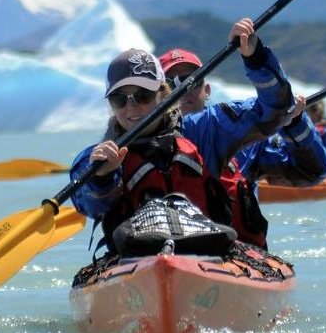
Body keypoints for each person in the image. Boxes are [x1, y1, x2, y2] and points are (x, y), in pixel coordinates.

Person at [69, 18, 296, 252]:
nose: (132, 107)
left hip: (210, 252)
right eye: (119, 99)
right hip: (139, 259)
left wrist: (255, 57)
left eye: (143, 96)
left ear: (163, 94)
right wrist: (102, 178)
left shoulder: (204, 129)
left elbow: (276, 109)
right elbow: (89, 205)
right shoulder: (99, 157)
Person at [159, 47, 326, 204]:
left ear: (207, 91)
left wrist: (295, 123)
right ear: (157, 95)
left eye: (192, 81)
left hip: (234, 242)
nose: (183, 90)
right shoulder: (146, 142)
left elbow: (313, 172)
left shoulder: (247, 140)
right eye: (171, 84)